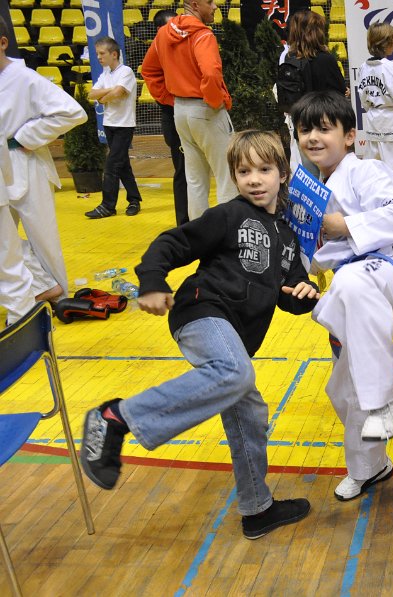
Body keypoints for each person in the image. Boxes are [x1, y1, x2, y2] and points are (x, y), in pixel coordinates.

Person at [79, 130, 320, 540]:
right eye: (243, 172)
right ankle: (115, 417)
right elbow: (172, 243)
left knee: (249, 413)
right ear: (234, 177)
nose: (254, 179)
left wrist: (305, 293)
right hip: (202, 310)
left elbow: (291, 293)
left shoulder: (287, 238)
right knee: (234, 372)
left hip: (237, 336)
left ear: (283, 174)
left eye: (264, 170)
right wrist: (152, 281)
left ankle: (257, 509)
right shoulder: (228, 216)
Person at [291, 91, 393, 501]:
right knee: (345, 388)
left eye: (323, 129)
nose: (313, 137)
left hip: (386, 272)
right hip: (348, 292)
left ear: (349, 136)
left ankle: (386, 399)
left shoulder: (366, 171)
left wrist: (345, 225)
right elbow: (312, 254)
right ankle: (371, 466)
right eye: (305, 130)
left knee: (350, 282)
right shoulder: (307, 187)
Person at [0, 15, 87, 323]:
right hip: (3, 163)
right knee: (3, 241)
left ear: (3, 43)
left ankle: (61, 299)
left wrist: (27, 136)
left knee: (43, 237)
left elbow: (72, 112)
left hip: (25, 160)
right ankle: (42, 286)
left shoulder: (25, 78)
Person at [142, 0, 238, 220]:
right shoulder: (203, 35)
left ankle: (198, 233)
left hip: (181, 111)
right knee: (227, 175)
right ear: (195, 4)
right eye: (210, 2)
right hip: (205, 109)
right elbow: (211, 73)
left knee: (194, 180)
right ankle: (229, 233)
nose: (215, 7)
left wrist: (169, 98)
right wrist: (214, 101)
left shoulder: (163, 33)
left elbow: (148, 70)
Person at [281, 9, 347, 174]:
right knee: (332, 174)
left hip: (302, 126)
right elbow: (339, 91)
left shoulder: (290, 58)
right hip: (325, 125)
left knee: (310, 174)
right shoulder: (325, 59)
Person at [84, 37, 142, 219]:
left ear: (114, 54)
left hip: (124, 125)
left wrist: (103, 97)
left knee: (111, 165)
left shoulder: (126, 72)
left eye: (102, 53)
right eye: (97, 54)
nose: (99, 57)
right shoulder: (105, 74)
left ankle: (108, 206)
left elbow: (119, 92)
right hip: (109, 124)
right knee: (122, 164)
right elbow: (91, 94)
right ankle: (134, 200)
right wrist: (108, 94)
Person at [357, 21, 393, 192]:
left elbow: (363, 100)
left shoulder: (363, 68)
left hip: (373, 121)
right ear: (387, 44)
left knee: (372, 173)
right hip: (392, 124)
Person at [152, 9, 188, 226]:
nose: (177, 28)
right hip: (174, 118)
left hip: (192, 115)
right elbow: (157, 89)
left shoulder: (182, 48)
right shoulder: (157, 54)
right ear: (160, 30)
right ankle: (184, 223)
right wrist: (181, 102)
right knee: (183, 170)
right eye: (171, 24)